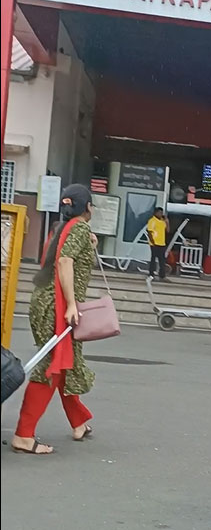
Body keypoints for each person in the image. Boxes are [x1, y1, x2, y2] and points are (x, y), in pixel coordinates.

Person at [11, 184, 97, 456]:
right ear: (88, 207)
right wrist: (71, 304)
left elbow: (62, 255)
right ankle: (24, 435)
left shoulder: (62, 228)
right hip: (57, 306)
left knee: (62, 361)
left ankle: (79, 421)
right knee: (52, 365)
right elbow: (65, 262)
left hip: (43, 302)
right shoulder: (79, 228)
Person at [147, 207, 169, 280]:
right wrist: (152, 241)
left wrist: (167, 222)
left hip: (162, 243)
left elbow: (167, 230)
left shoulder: (162, 221)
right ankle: (151, 274)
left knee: (162, 260)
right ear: (155, 213)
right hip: (154, 243)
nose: (161, 214)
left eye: (162, 213)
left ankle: (162, 275)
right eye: (159, 213)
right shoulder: (152, 221)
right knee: (153, 259)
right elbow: (149, 231)